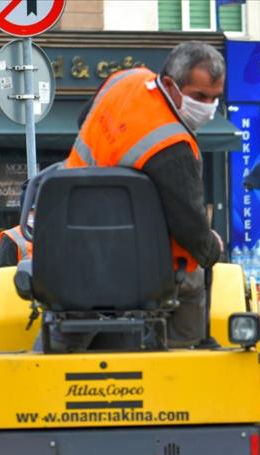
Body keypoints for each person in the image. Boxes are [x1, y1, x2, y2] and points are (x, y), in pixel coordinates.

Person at [65, 41, 225, 347]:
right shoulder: (172, 146)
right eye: (199, 97)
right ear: (170, 84)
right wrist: (213, 248)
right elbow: (191, 229)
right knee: (195, 277)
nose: (208, 107)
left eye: (215, 98)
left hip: (74, 241)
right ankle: (183, 352)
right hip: (134, 267)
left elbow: (83, 120)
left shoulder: (126, 79)